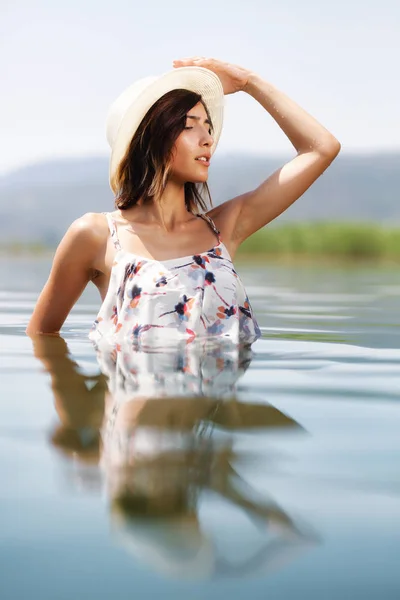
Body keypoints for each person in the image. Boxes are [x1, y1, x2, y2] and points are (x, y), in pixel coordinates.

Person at [26, 56, 341, 345]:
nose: (208, 139)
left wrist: (249, 83)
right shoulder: (95, 235)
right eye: (190, 126)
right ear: (151, 137)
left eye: (208, 127)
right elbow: (42, 339)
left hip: (218, 405)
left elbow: (321, 148)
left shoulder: (224, 228)